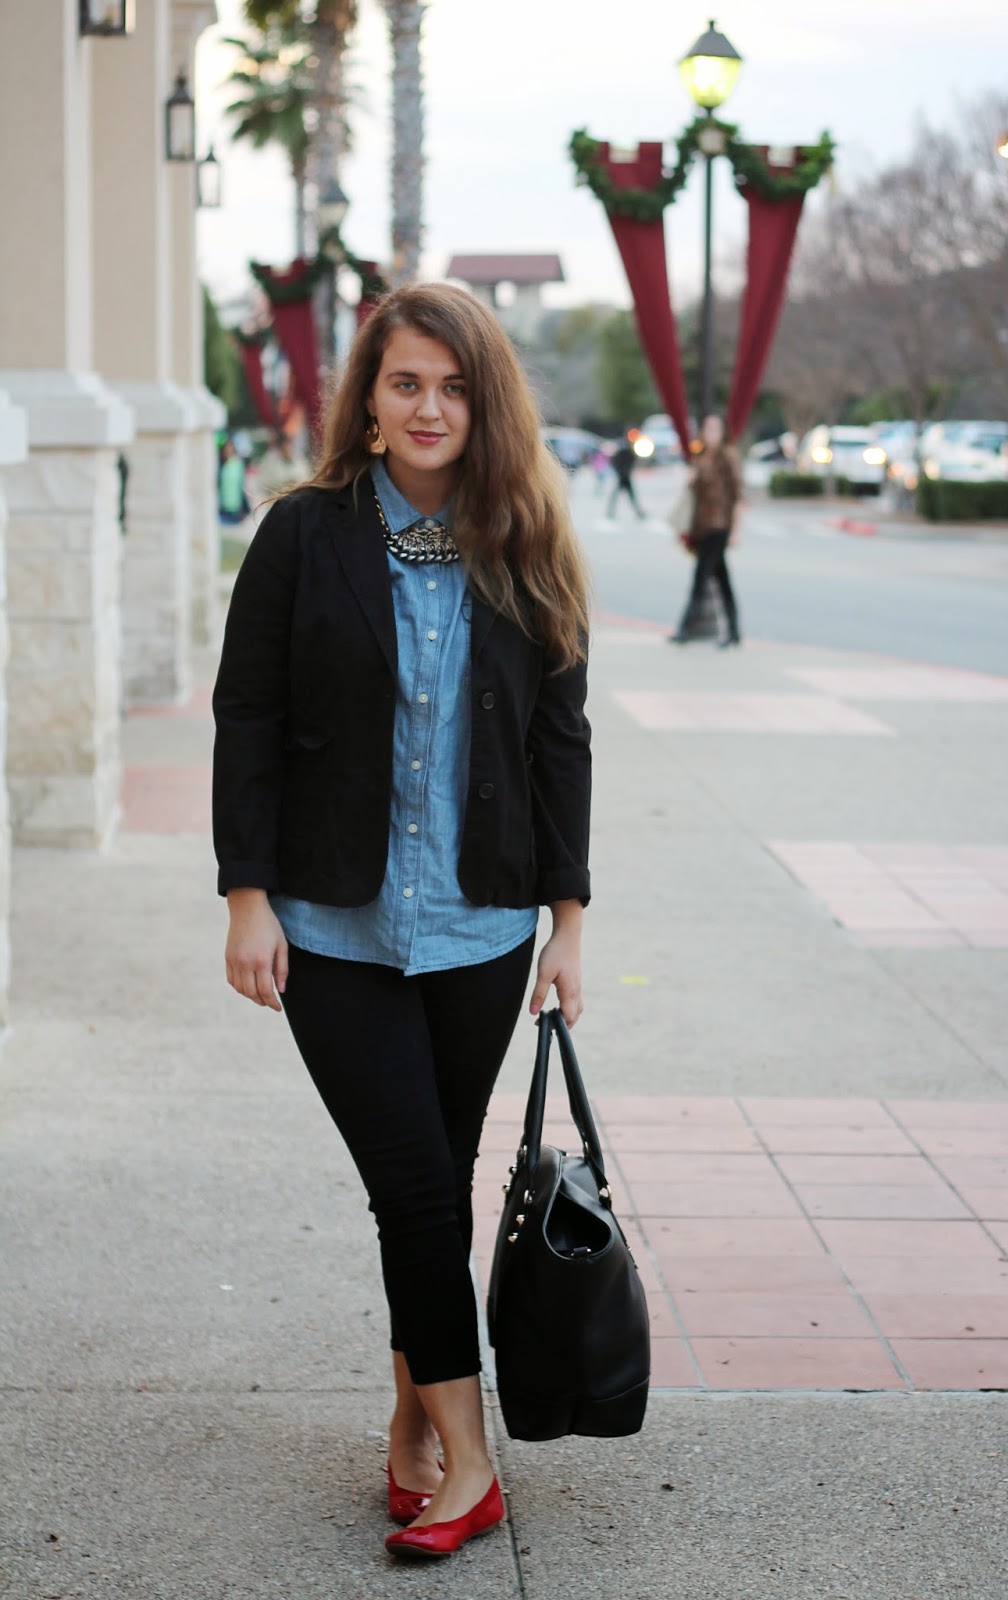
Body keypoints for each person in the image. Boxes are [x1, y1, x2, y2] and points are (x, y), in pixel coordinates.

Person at [212, 284, 592, 1560]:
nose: (429, 407)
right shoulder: (302, 535)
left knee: (424, 1188)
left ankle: (410, 1420)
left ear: (484, 403)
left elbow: (559, 742)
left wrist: (568, 923)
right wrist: (246, 897)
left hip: (481, 927)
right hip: (332, 925)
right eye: (404, 383)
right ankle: (473, 1467)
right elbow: (247, 716)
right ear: (367, 404)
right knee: (418, 1192)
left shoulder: (523, 538)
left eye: (453, 386)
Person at [670, 414, 742, 646]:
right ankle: (734, 631)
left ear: (723, 432)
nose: (711, 433)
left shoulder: (728, 458)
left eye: (716, 429)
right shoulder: (700, 458)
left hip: (719, 527)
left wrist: (735, 531)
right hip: (702, 527)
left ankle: (685, 628)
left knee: (700, 578)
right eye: (708, 428)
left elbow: (738, 497)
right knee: (722, 580)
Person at [255, 430, 311, 500]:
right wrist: (285, 483)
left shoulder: (300, 462)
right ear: (280, 448)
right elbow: (264, 484)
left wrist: (296, 483)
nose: (288, 449)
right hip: (279, 500)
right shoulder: (271, 463)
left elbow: (306, 480)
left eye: (289, 446)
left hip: (298, 500)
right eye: (285, 447)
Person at [606, 435, 645, 520]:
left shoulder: (624, 453)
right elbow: (619, 464)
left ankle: (610, 512)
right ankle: (638, 512)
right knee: (629, 496)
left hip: (624, 476)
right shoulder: (626, 453)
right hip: (623, 476)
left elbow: (617, 464)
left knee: (621, 496)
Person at [217, 437, 249, 526]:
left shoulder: (237, 464)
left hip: (235, 507)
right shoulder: (219, 464)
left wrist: (245, 507)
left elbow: (241, 485)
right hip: (221, 507)